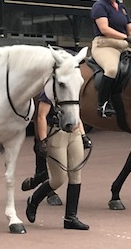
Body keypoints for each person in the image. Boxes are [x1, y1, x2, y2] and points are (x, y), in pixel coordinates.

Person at [25, 92, 92, 230]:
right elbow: (41, 116)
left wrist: (83, 135)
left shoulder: (72, 89)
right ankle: (34, 200)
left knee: (76, 174)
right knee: (58, 179)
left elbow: (76, 114)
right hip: (56, 133)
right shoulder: (50, 91)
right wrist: (42, 140)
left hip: (74, 133)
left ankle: (70, 217)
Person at [90, 0, 131, 117]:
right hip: (105, 44)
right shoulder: (99, 6)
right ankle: (102, 105)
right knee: (112, 70)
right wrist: (126, 37)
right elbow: (104, 28)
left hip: (123, 46)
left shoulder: (122, 8)